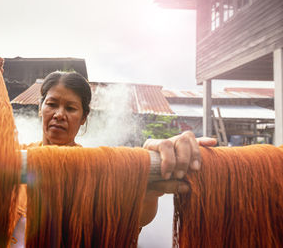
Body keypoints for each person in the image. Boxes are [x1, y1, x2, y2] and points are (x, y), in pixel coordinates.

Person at [11, 71, 216, 246]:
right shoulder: (12, 158)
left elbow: (134, 218)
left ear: (83, 118)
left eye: (71, 108)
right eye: (52, 104)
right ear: (40, 108)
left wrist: (146, 180)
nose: (59, 114)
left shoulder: (98, 168)